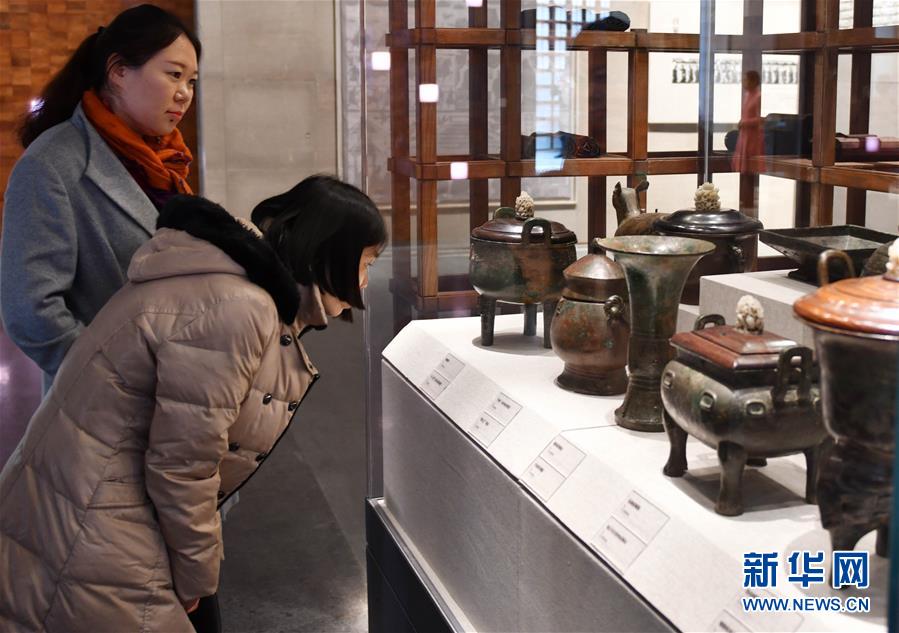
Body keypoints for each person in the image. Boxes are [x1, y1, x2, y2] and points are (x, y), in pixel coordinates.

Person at [0, 175, 387, 633]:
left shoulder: (229, 283)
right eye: (364, 262)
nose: (365, 281)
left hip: (82, 497)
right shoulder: (239, 308)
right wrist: (195, 577)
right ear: (326, 253)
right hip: (98, 521)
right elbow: (182, 465)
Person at [0, 4, 201, 391]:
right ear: (119, 71)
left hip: (176, 390)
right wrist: (117, 380)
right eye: (174, 75)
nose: (184, 94)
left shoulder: (165, 162)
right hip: (104, 404)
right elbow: (31, 311)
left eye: (192, 81)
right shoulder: (52, 162)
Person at [731, 70, 764, 173]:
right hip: (744, 135)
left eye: (746, 80)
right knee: (743, 169)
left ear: (753, 81)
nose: (743, 82)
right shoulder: (747, 95)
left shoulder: (758, 96)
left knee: (751, 168)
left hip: (753, 137)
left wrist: (744, 123)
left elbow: (761, 119)